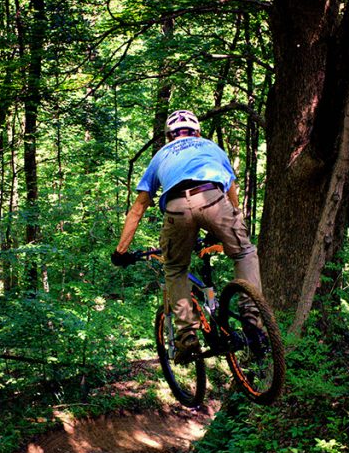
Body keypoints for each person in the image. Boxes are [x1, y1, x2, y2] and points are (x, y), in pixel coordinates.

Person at [112, 109, 263, 361]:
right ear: (197, 132)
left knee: (175, 268)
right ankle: (252, 321)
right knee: (245, 252)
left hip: (176, 209)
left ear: (170, 136)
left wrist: (120, 251)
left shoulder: (161, 155)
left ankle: (187, 335)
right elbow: (231, 190)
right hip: (213, 199)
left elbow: (138, 208)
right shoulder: (212, 148)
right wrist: (229, 226)